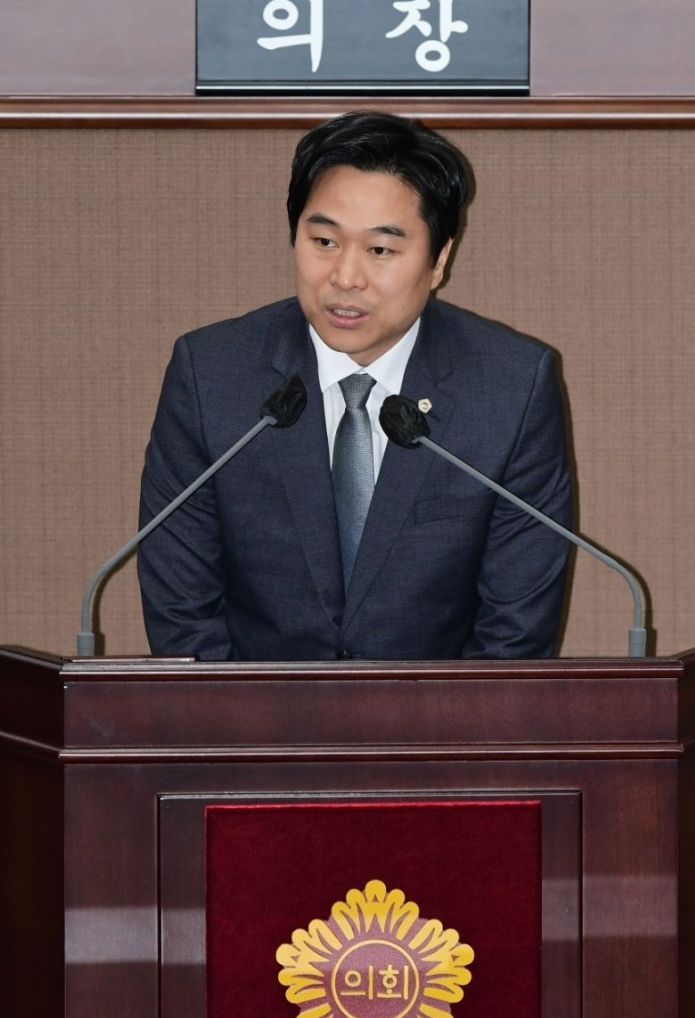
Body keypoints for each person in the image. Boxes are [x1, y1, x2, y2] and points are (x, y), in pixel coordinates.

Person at [138, 111, 572, 661]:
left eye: (380, 250)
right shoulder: (212, 375)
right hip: (249, 714)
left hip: (442, 714)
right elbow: (183, 613)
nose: (345, 277)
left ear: (438, 260)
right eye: (323, 241)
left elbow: (515, 634)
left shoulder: (510, 388)